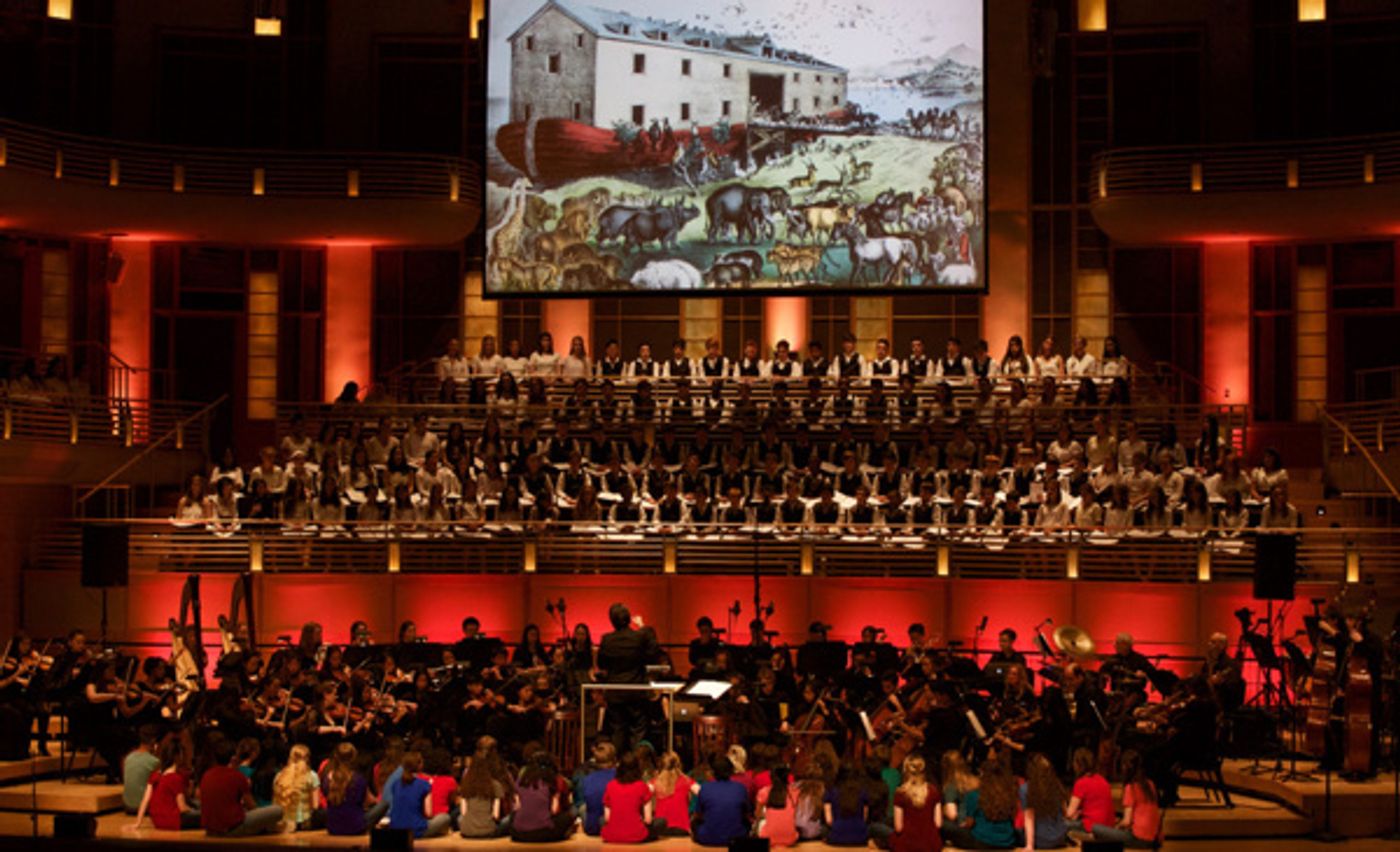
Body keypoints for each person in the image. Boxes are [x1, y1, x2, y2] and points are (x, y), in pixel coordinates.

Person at [596, 602, 660, 751]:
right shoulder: (639, 636)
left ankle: (617, 769)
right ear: (629, 619)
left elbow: (602, 663)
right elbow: (653, 652)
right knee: (637, 731)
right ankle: (637, 766)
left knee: (617, 731)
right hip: (635, 692)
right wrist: (643, 626)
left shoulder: (607, 639)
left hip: (616, 693)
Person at [199, 737, 283, 837]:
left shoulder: (206, 774)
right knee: (277, 810)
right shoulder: (237, 776)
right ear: (233, 758)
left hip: (210, 830)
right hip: (231, 829)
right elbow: (251, 806)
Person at [1086, 750, 1161, 848]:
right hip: (1155, 839)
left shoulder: (1131, 788)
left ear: (1125, 767)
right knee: (1108, 833)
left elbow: (1127, 821)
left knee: (1095, 827)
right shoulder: (1150, 784)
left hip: (1138, 839)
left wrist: (1116, 827)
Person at [944, 750, 1017, 849]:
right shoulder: (1009, 794)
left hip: (983, 842)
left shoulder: (974, 795)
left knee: (944, 825)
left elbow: (968, 823)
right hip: (1007, 841)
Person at [132, 738, 201, 831]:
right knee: (205, 815)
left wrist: (138, 823)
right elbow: (182, 808)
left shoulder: (155, 775)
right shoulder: (175, 778)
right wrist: (194, 811)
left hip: (157, 821)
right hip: (174, 821)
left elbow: (145, 800)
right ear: (178, 756)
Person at [323, 742, 389, 836]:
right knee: (384, 804)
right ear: (354, 758)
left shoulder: (327, 779)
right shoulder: (358, 779)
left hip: (333, 828)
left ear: (336, 757)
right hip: (356, 828)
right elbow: (369, 802)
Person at [510, 751, 576, 842]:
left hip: (519, 834)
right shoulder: (553, 781)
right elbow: (554, 810)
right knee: (569, 816)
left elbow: (516, 807)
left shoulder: (521, 781)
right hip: (544, 832)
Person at [386, 750, 451, 838]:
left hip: (395, 828)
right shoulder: (424, 784)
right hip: (416, 831)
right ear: (420, 765)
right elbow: (429, 813)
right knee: (445, 818)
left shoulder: (396, 784)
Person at [601, 750, 660, 842]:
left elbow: (607, 818)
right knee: (662, 822)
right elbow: (648, 819)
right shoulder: (642, 786)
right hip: (637, 835)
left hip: (611, 836)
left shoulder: (610, 785)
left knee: (600, 820)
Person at [695, 751, 749, 846]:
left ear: (713, 772)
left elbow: (698, 815)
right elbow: (747, 814)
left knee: (695, 823)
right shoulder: (740, 788)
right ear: (731, 771)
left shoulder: (705, 788)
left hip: (707, 838)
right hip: (737, 837)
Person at [890, 755, 942, 852]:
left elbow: (898, 828)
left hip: (907, 846)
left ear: (905, 771)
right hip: (930, 845)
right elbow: (938, 824)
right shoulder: (933, 791)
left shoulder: (901, 793)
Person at [1020, 752, 1071, 849]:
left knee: (1019, 832)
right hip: (1059, 837)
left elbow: (1029, 819)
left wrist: (1029, 846)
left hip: (1041, 840)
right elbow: (1065, 813)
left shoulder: (1026, 789)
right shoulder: (1057, 785)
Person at [273, 743, 323, 831]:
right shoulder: (312, 775)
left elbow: (275, 801)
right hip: (305, 823)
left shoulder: (279, 775)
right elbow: (316, 805)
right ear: (307, 758)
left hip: (284, 824)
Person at [1066, 747, 1114, 834]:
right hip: (1108, 826)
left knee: (1060, 825)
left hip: (1092, 826)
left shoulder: (1081, 783)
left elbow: (1069, 813)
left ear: (1078, 764)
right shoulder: (1103, 780)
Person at [824, 761, 870, 847]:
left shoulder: (831, 792)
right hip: (860, 836)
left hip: (837, 836)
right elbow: (864, 818)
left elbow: (828, 820)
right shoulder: (863, 792)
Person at [579, 740, 617, 836]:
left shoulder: (587, 779)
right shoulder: (619, 777)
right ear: (614, 759)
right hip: (611, 824)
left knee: (582, 808)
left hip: (591, 828)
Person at [755, 764, 799, 847]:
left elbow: (757, 815)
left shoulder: (764, 792)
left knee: (761, 822)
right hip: (791, 839)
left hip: (767, 839)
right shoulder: (795, 792)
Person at [652, 751, 694, 836]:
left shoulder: (655, 782)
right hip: (682, 831)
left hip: (661, 831)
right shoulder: (686, 781)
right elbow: (703, 793)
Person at [122, 725, 161, 815]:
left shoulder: (128, 758)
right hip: (144, 807)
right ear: (153, 741)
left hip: (127, 806)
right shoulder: (154, 761)